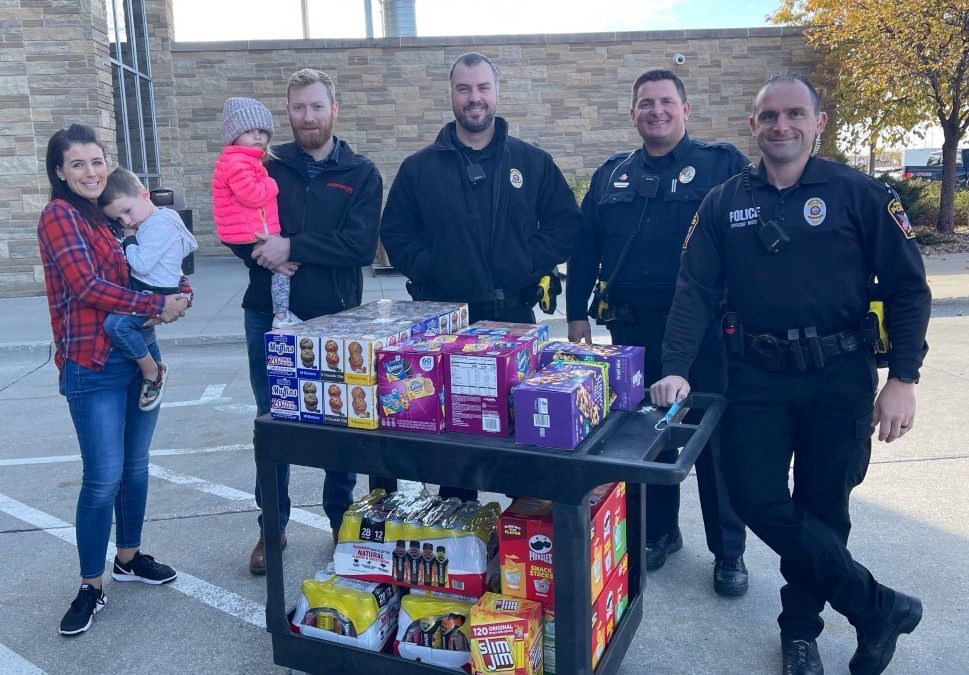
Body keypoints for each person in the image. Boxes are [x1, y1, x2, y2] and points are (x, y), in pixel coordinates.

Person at [651, 74, 930, 675]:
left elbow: (909, 288)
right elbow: (694, 289)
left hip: (840, 377)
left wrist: (903, 377)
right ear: (752, 126)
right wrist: (673, 367)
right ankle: (874, 606)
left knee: (825, 506)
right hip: (755, 375)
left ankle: (799, 634)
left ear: (818, 123)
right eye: (769, 116)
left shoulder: (861, 194)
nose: (782, 126)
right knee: (754, 496)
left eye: (794, 114)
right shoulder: (723, 202)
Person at [566, 69, 749, 595]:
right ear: (633, 114)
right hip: (632, 331)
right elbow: (584, 251)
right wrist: (576, 312)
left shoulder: (723, 165)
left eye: (667, 101)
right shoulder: (611, 176)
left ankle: (729, 552)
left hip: (708, 332)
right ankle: (659, 533)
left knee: (717, 446)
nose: (657, 110)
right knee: (646, 438)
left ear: (686, 110)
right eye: (646, 103)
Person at [381, 51, 582, 502]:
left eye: (483, 88)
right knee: (454, 442)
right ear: (451, 94)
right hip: (447, 320)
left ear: (496, 93)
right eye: (464, 88)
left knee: (523, 436)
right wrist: (433, 266)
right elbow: (395, 232)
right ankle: (460, 534)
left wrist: (527, 261)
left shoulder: (531, 162)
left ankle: (525, 536)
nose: (474, 98)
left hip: (514, 315)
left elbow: (565, 224)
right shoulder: (419, 168)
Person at [37, 124, 191, 636]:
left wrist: (180, 291)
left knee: (136, 467)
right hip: (92, 365)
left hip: (138, 353)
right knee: (102, 478)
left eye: (97, 162)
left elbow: (152, 266)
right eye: (77, 164)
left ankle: (128, 557)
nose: (90, 172)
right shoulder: (60, 216)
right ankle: (91, 584)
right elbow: (87, 287)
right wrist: (155, 305)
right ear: (60, 171)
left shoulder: (108, 217)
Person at [238, 69, 383, 574]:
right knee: (271, 421)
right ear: (288, 112)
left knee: (339, 423)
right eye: (298, 108)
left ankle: (341, 523)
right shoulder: (265, 165)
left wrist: (292, 247)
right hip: (267, 315)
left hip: (336, 320)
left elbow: (359, 246)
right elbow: (237, 225)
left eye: (316, 107)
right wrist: (264, 254)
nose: (307, 117)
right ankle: (270, 527)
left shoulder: (361, 172)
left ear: (334, 109)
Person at [99, 168, 198, 411]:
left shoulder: (155, 225)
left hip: (152, 289)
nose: (127, 222)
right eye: (119, 220)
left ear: (144, 194)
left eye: (127, 212)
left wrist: (130, 239)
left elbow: (140, 264)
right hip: (157, 287)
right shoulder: (166, 218)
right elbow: (188, 246)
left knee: (116, 326)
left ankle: (151, 370)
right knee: (127, 324)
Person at [212, 97, 299, 329]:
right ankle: (281, 317)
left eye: (262, 131)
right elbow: (251, 194)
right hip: (246, 232)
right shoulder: (236, 162)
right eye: (249, 131)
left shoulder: (249, 160)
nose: (258, 136)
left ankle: (281, 315)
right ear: (233, 135)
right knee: (280, 269)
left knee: (280, 269)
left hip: (251, 229)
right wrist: (272, 184)